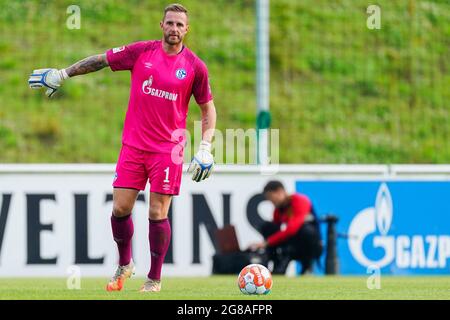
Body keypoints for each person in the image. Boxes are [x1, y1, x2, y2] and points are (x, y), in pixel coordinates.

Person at [28, 4, 216, 293]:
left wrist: (205, 146)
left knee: (157, 212)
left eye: (180, 25)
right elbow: (102, 60)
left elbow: (207, 110)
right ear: (161, 25)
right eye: (170, 23)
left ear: (187, 29)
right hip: (134, 146)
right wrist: (63, 74)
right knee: (120, 208)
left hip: (168, 150)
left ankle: (154, 279)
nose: (174, 29)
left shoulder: (195, 67)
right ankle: (125, 263)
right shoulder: (142, 52)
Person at [249, 181, 323, 275]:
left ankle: (307, 266)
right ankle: (276, 264)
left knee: (306, 230)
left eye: (271, 198)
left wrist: (267, 242)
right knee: (268, 227)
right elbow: (276, 230)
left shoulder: (300, 200)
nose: (272, 202)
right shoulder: (278, 210)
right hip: (292, 245)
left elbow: (292, 229)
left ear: (280, 191)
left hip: (311, 245)